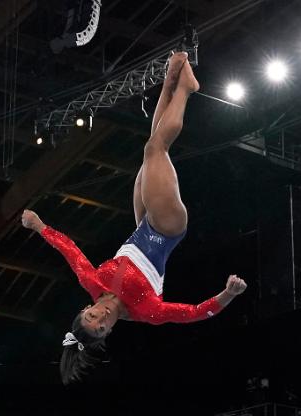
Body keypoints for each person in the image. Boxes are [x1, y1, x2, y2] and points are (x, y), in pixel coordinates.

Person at [21, 52, 247, 383]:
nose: (101, 318)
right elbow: (194, 313)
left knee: (151, 148)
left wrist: (39, 226)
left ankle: (170, 83)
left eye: (92, 317)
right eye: (101, 328)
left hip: (142, 226)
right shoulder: (146, 312)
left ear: (86, 310)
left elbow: (70, 251)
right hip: (166, 229)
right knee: (155, 150)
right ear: (108, 332)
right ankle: (186, 88)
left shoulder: (92, 283)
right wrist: (229, 294)